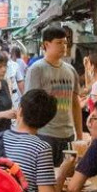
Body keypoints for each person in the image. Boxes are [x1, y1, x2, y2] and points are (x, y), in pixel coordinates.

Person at [24, 25, 84, 165]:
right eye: (59, 43)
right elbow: (29, 104)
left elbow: (75, 103)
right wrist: (29, 136)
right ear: (46, 44)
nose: (63, 46)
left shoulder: (70, 70)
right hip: (44, 134)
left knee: (66, 176)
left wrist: (79, 136)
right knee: (46, 178)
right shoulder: (37, 69)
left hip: (68, 134)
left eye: (65, 42)